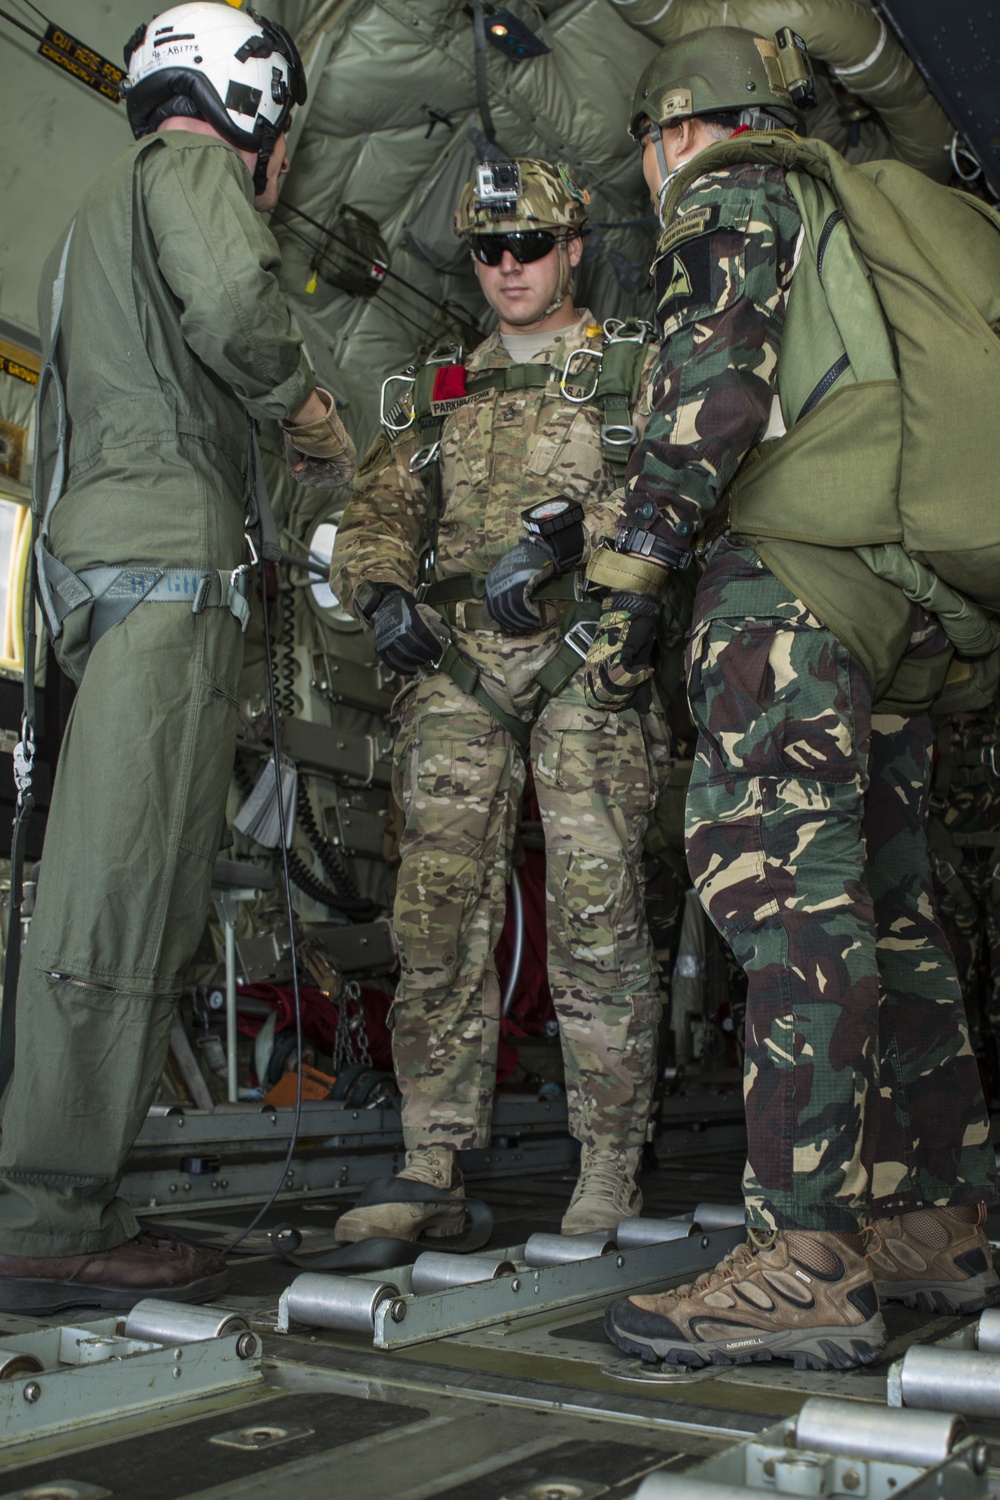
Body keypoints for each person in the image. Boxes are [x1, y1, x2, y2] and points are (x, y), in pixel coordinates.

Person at [585, 27, 998, 1370]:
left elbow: (713, 394)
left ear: (674, 127)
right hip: (889, 614)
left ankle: (806, 1254)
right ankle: (937, 1221)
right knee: (889, 911)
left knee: (788, 907)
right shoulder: (847, 202)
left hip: (789, 603)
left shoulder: (733, 184)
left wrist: (620, 587)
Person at [0, 1, 354, 1314]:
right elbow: (235, 304)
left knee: (123, 884)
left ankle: (66, 1195)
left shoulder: (100, 204)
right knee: (120, 896)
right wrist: (311, 411)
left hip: (119, 570)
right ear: (245, 103)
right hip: (163, 580)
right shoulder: (190, 170)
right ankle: (44, 1208)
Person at [329, 157, 670, 1243]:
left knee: (597, 911)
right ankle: (431, 1159)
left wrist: (587, 543)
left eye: (530, 245)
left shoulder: (630, 369)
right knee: (431, 912)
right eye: (489, 249)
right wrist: (379, 590)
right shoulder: (440, 389)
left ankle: (608, 1160)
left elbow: (684, 495)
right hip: (456, 670)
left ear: (575, 248)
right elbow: (378, 502)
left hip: (585, 661)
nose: (509, 267)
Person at [927, 700, 1000, 1100]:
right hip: (949, 872)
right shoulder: (928, 729)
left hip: (994, 864)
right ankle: (971, 1106)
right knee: (955, 994)